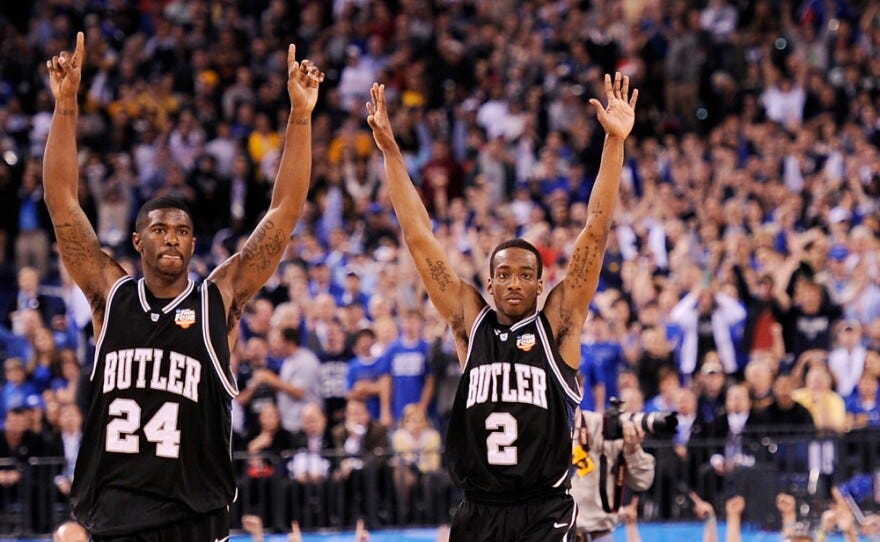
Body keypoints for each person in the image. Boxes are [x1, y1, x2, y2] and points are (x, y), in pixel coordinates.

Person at [43, 32, 324, 539]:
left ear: (194, 245)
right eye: (159, 229)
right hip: (114, 514)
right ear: (137, 240)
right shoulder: (112, 295)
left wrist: (300, 116)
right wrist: (66, 104)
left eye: (182, 231)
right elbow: (63, 202)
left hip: (193, 518)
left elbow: (283, 215)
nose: (171, 239)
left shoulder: (219, 300)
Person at [366, 72, 638, 541]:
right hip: (477, 510)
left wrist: (614, 144)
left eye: (526, 275)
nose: (515, 283)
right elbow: (418, 237)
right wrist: (392, 151)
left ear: (540, 284)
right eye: (505, 275)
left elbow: (595, 230)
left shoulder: (559, 323)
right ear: (489, 284)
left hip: (544, 509)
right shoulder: (471, 321)